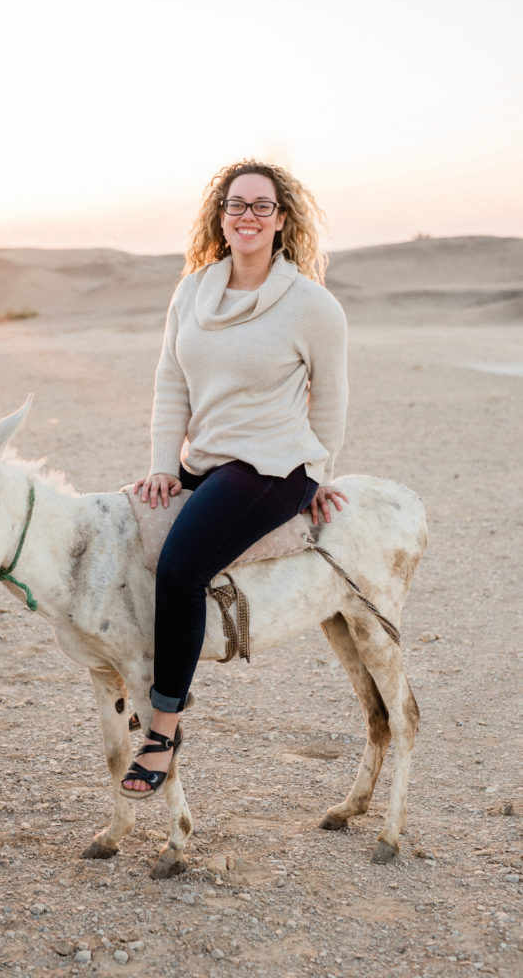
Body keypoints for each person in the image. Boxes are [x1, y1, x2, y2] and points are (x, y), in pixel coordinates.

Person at [120, 159, 348, 798]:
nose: (248, 215)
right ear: (220, 217)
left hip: (273, 466)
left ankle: (163, 729)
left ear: (282, 220)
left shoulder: (312, 305)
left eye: (261, 206)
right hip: (205, 461)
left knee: (180, 566)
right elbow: (171, 382)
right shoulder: (192, 291)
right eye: (236, 204)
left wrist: (318, 473)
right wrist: (163, 466)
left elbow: (331, 398)